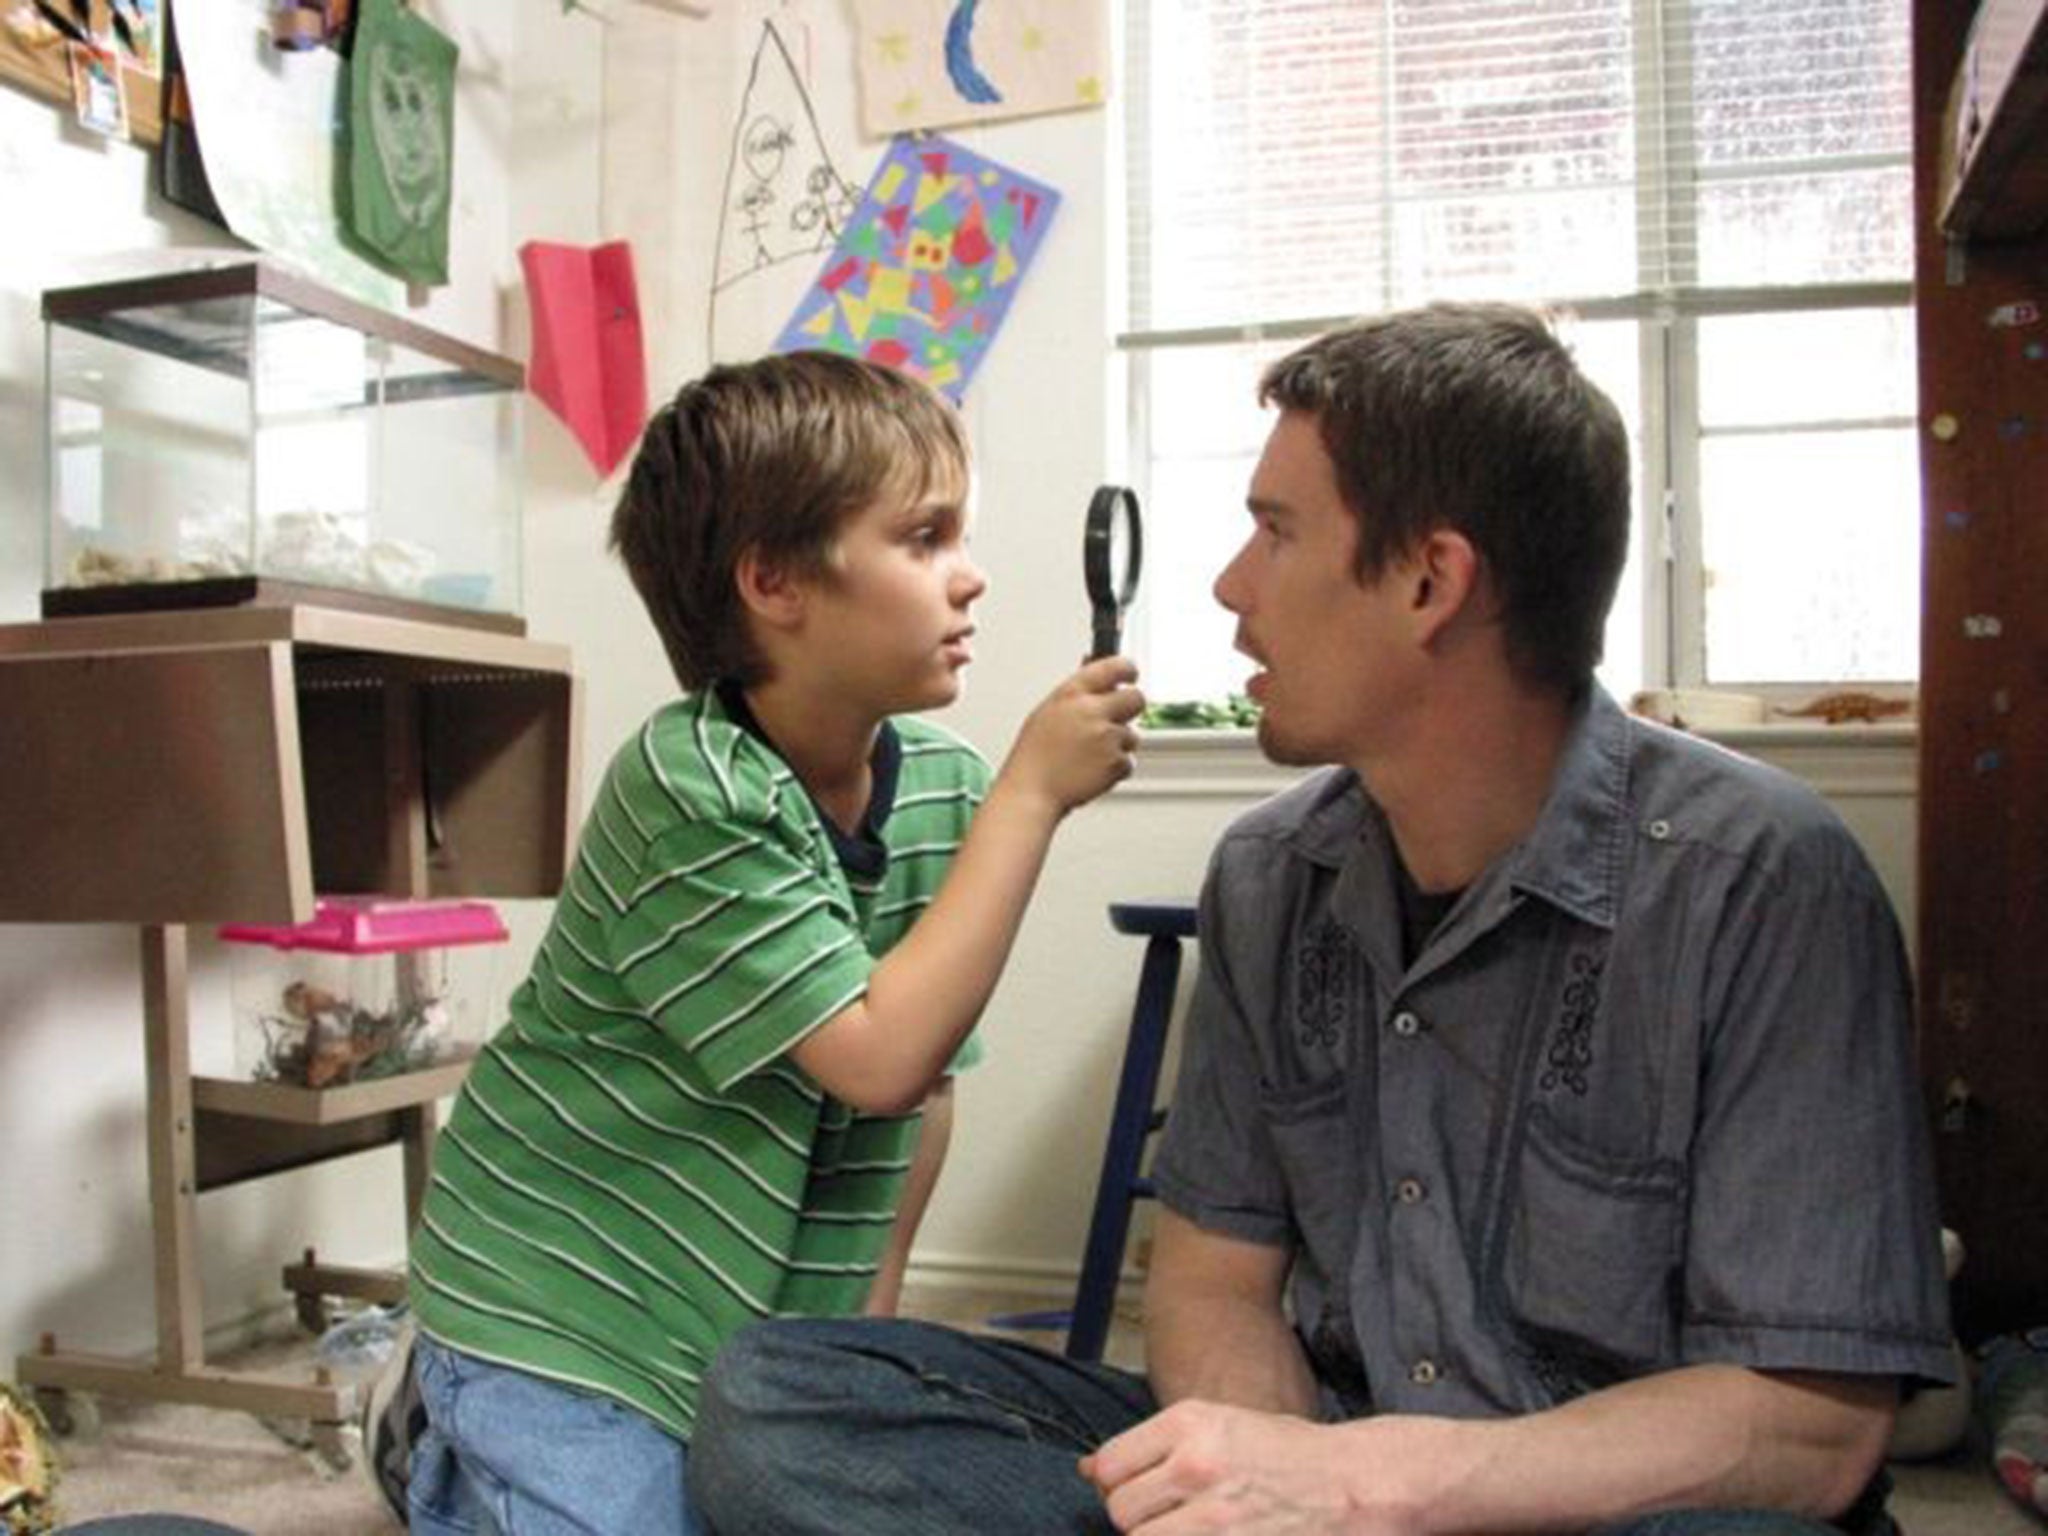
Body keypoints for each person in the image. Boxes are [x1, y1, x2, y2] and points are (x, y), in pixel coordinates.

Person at [687, 303, 1954, 1536]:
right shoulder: (1270, 875)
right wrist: (1281, 1482)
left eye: (1274, 534)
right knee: (780, 1398)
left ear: (1427, 581)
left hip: (1602, 1503)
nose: (1230, 586)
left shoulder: (1761, 882)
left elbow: (1808, 1426)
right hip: (1331, 1463)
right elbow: (1207, 1281)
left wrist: (1371, 1493)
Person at [400, 350, 1145, 1535]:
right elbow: (874, 1057)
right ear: (774, 583)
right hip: (553, 1321)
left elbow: (923, 1087)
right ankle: (437, 1438)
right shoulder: (690, 785)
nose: (972, 578)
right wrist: (1033, 799)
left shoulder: (944, 791)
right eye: (924, 537)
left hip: (740, 1327)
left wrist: (866, 1341)